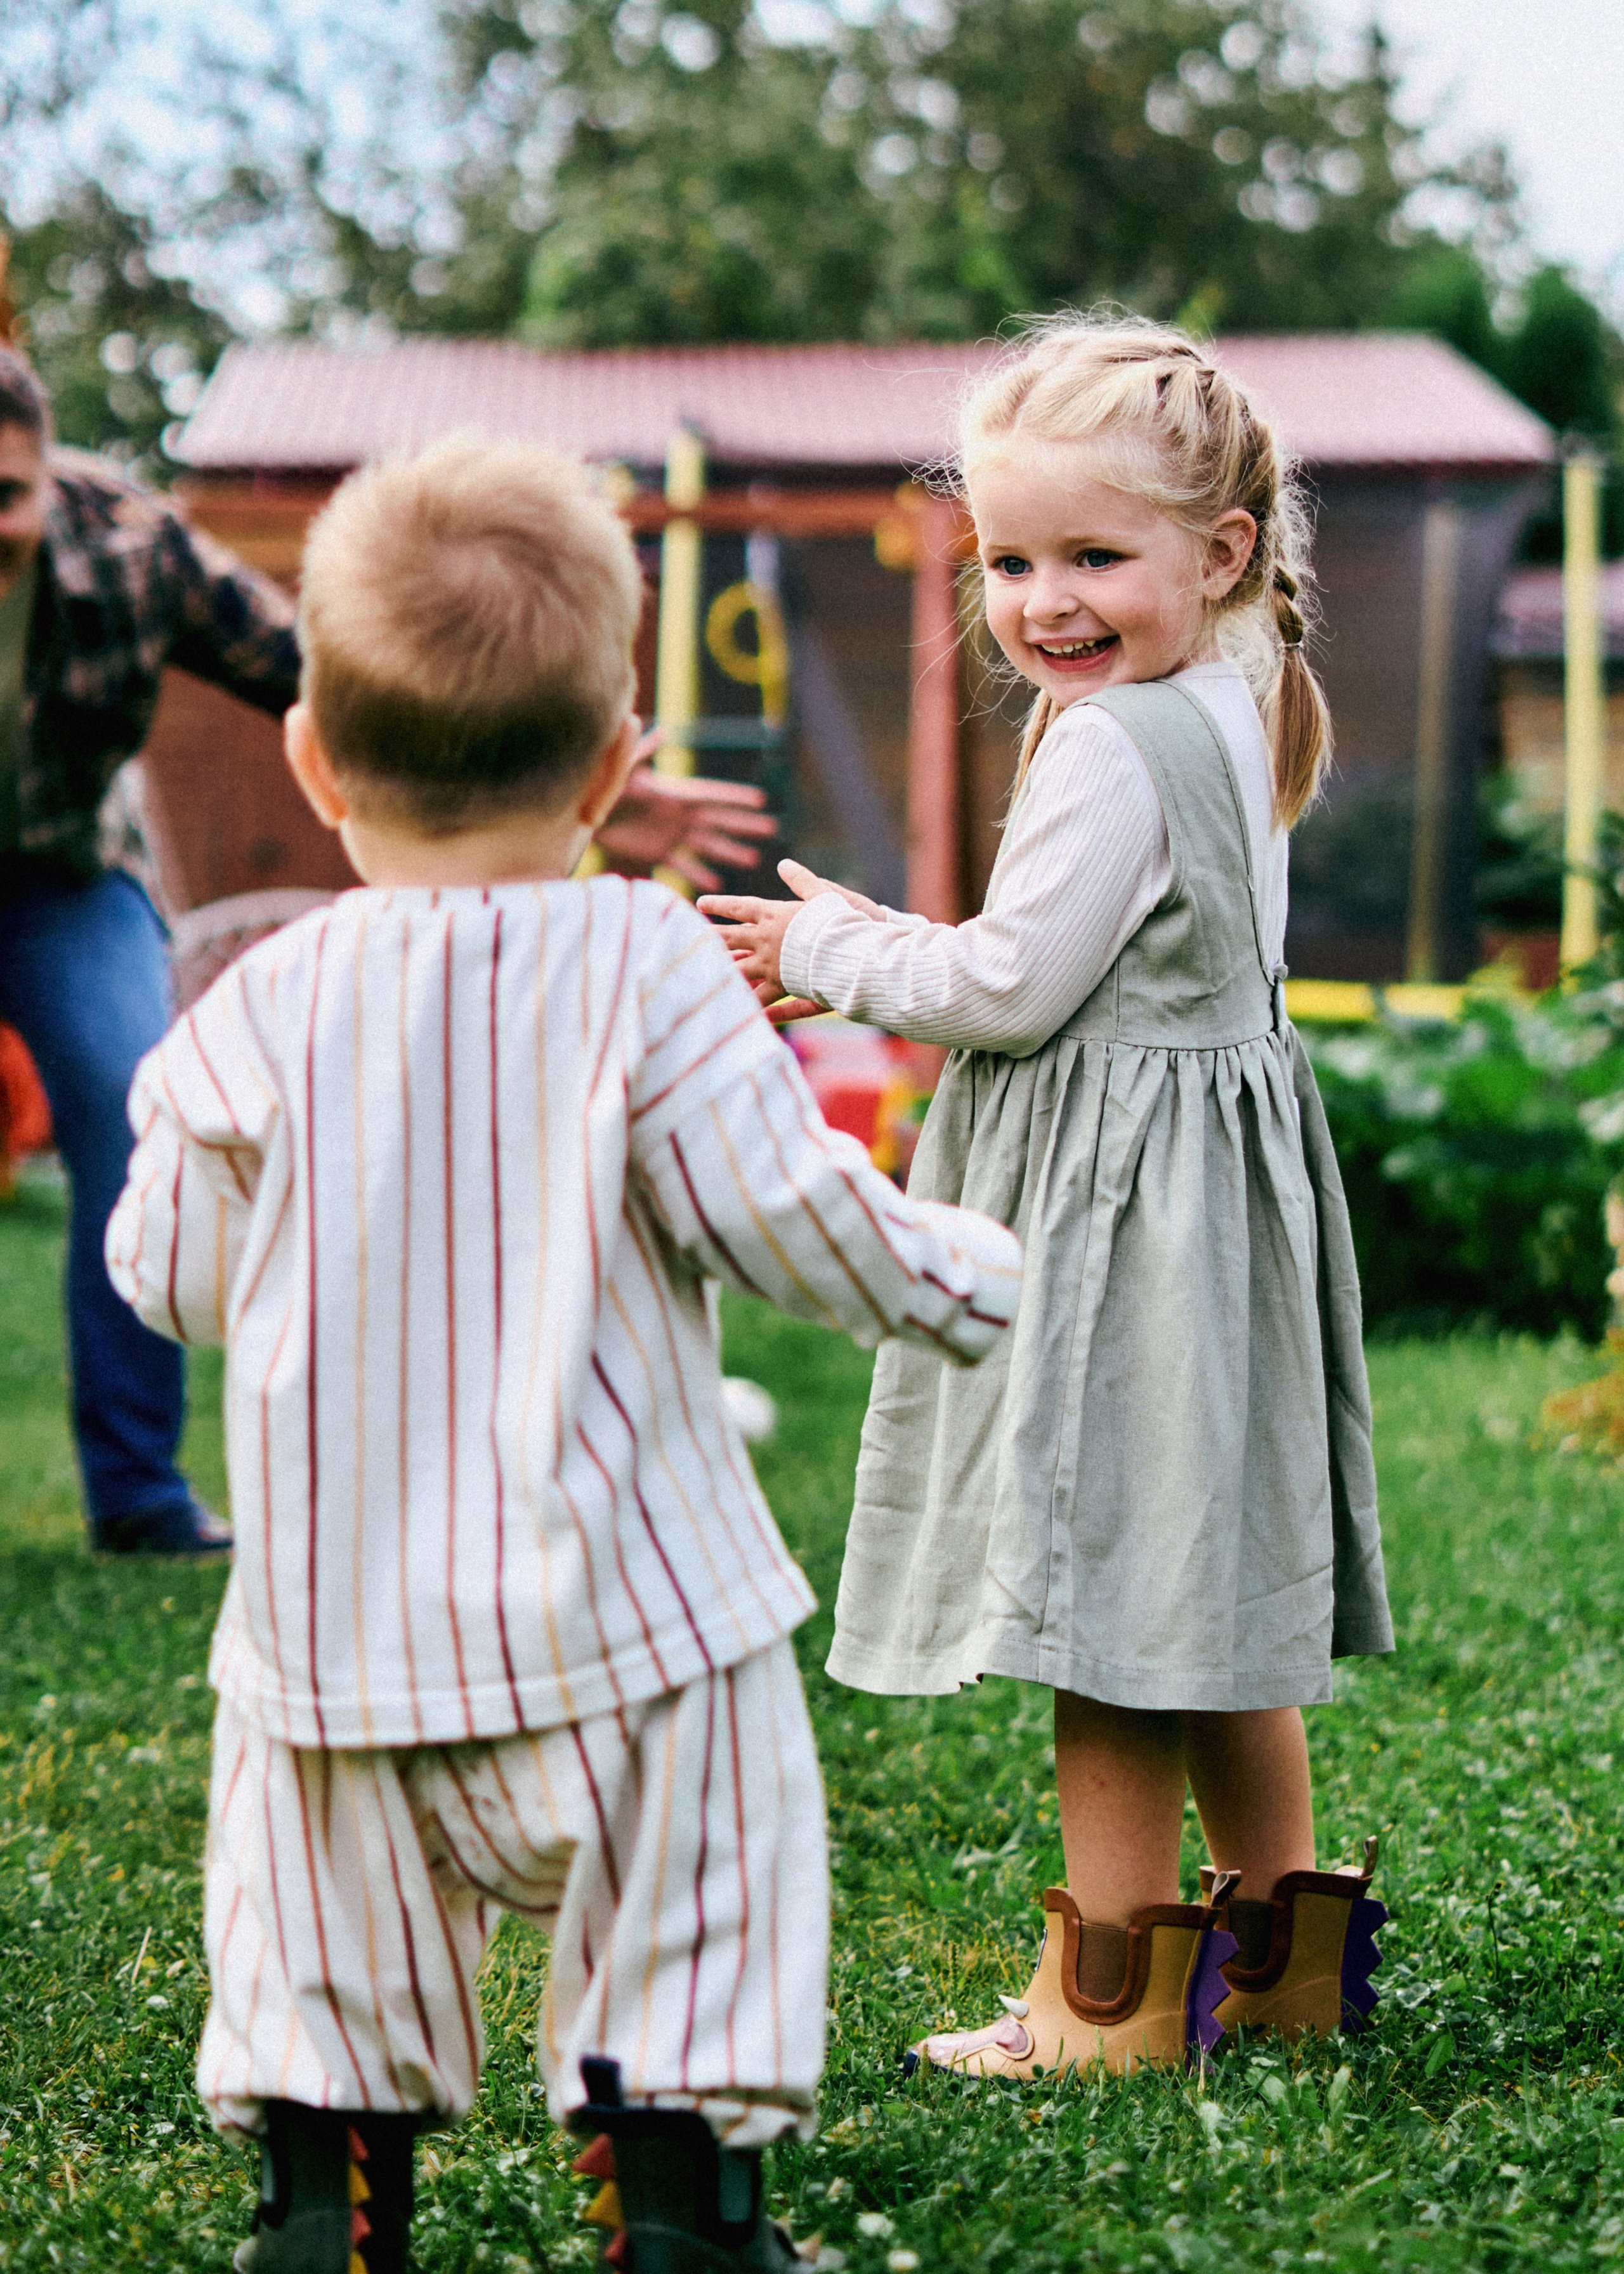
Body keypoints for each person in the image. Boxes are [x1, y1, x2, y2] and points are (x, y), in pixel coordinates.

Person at [105, 437, 1021, 2271]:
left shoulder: (256, 1003)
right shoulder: (649, 964)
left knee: (313, 1926)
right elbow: (785, 1210)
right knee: (704, 1887)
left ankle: (322, 2190)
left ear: (310, 756)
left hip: (332, 1644)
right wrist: (973, 1278)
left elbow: (170, 1273)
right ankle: (683, 2198)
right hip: (630, 1628)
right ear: (617, 769)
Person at [701, 317, 1393, 2076]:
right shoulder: (1240, 694)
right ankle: (1286, 1950)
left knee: (1110, 1600)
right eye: (1011, 558)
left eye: (1095, 554)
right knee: (1215, 1588)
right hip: (1211, 1211)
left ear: (1221, 551)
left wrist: (830, 944)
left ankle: (1108, 2005)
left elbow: (1013, 985)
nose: (1043, 601)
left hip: (1119, 1230)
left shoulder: (1107, 742)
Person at [0, 343, 775, 1558]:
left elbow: (352, 679)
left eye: (8, 494)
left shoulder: (131, 547)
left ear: (51, 472)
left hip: (58, 870)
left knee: (124, 1099)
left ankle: (138, 1492)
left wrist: (564, 783)